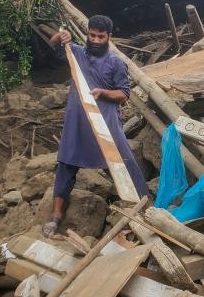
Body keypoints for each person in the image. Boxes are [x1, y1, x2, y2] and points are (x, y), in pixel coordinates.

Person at [43, 15, 149, 236]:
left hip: (106, 122)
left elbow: (124, 94)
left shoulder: (116, 62)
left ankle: (146, 208)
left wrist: (103, 92)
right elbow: (54, 48)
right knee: (66, 163)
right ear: (88, 33)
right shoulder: (76, 53)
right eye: (92, 35)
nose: (96, 40)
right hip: (77, 121)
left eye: (101, 37)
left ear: (109, 37)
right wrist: (60, 37)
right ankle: (56, 215)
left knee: (125, 162)